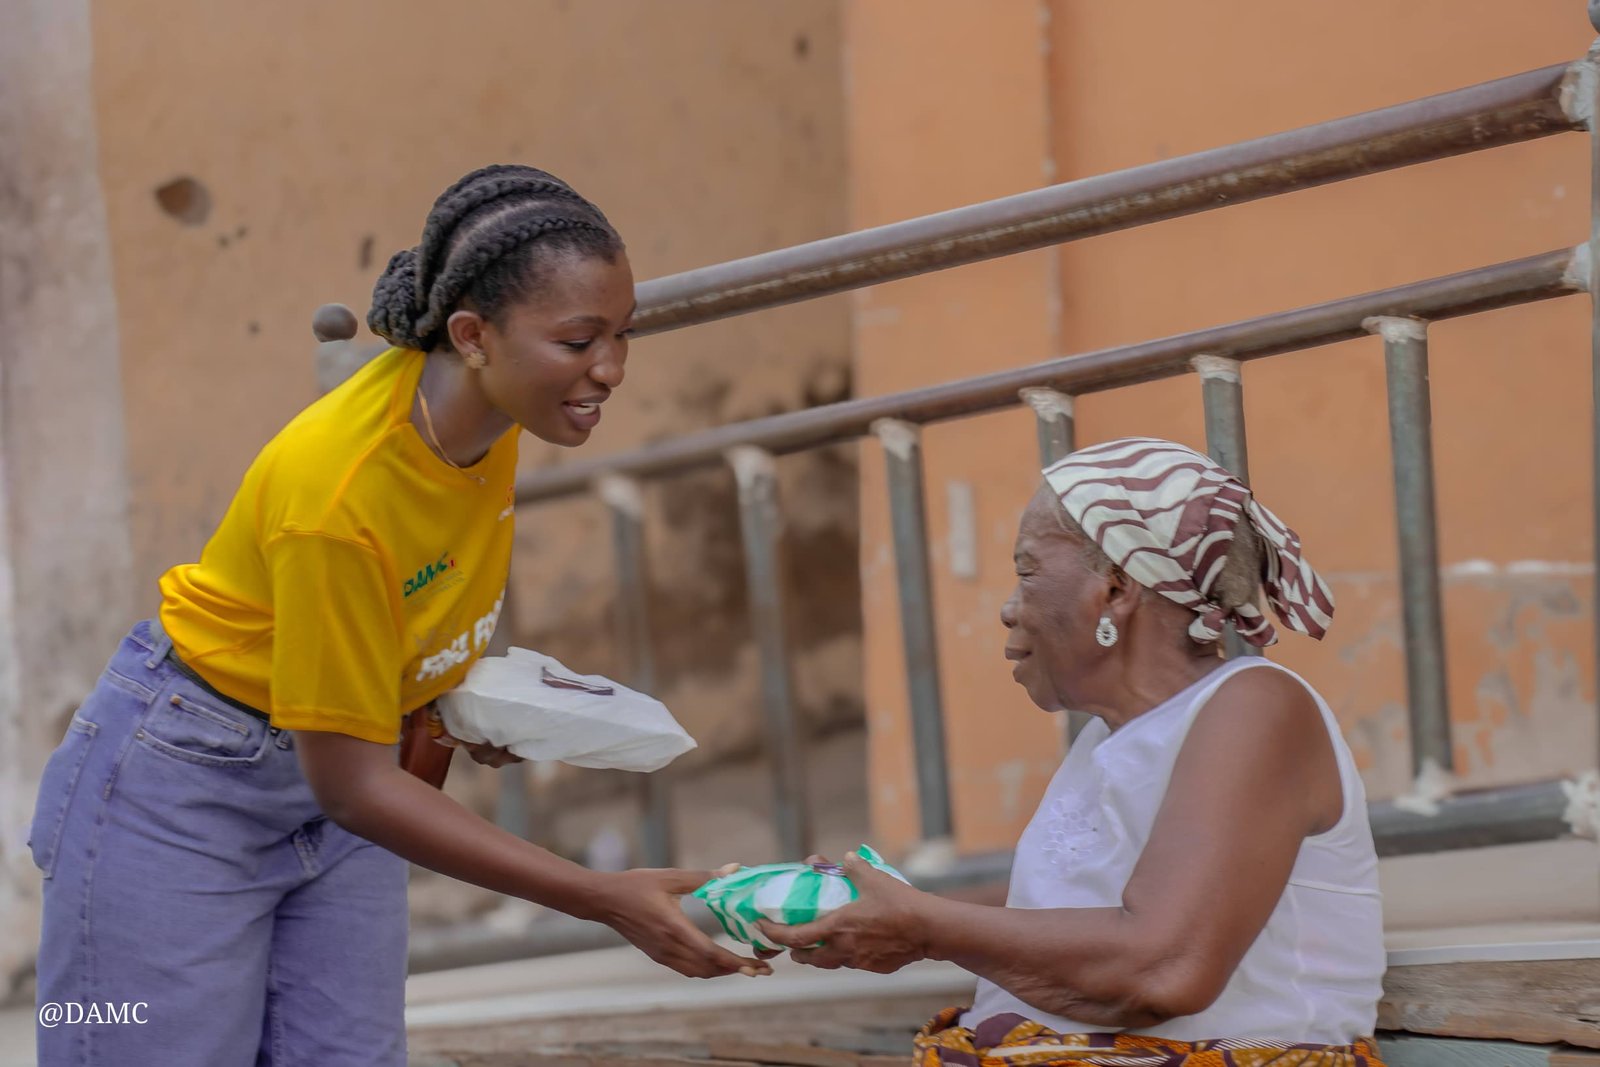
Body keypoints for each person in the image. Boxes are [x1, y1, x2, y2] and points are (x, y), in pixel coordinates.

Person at [28, 164, 767, 1067]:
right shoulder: (335, 496)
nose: (609, 369)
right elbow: (352, 785)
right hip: (183, 784)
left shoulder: (486, 417)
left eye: (622, 334)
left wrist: (447, 695)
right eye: (579, 340)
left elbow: (395, 634)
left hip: (345, 775)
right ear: (472, 334)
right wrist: (601, 896)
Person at [760, 438, 1388, 1066]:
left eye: (1027, 571)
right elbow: (1059, 909)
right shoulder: (1110, 737)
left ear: (1116, 587)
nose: (1009, 609)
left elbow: (1163, 969)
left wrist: (924, 928)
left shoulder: (1255, 705)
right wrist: (873, 906)